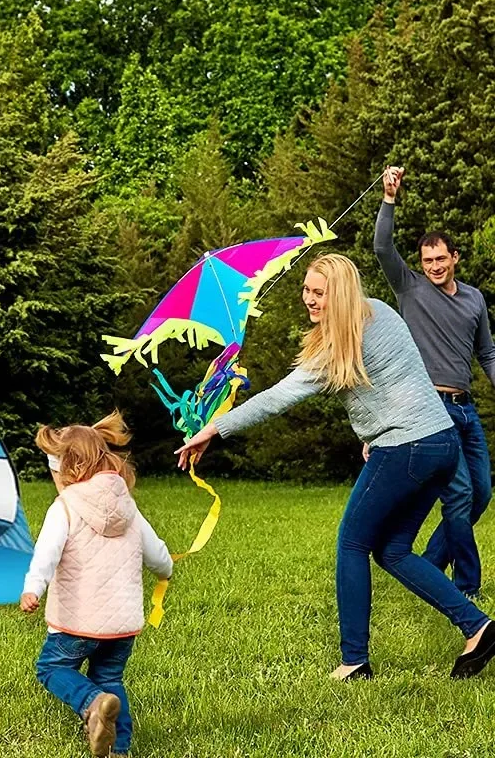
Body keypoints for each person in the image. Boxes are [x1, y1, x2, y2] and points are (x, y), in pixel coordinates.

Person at [175, 253, 495, 681]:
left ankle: (354, 660)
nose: (309, 299)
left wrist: (213, 428)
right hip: (441, 442)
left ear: (340, 293)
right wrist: (371, 433)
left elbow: (276, 398)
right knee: (393, 550)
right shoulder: (380, 310)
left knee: (352, 543)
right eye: (306, 290)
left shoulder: (335, 347)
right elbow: (396, 379)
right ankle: (479, 627)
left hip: (406, 448)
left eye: (319, 292)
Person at [20, 411, 173, 757]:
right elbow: (158, 553)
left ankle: (92, 703)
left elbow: (46, 555)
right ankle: (118, 748)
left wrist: (33, 588)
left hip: (76, 623)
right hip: (122, 627)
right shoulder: (128, 506)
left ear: (70, 468)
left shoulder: (65, 507)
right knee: (109, 678)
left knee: (52, 668)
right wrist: (165, 572)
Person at [374, 164, 495, 600]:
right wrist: (389, 198)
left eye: (441, 258)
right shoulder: (410, 289)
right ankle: (465, 586)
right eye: (427, 260)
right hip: (431, 409)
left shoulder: (474, 299)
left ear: (455, 258)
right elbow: (382, 246)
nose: (434, 266)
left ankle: (428, 564)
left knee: (480, 492)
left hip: (466, 409)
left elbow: (487, 352)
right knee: (459, 492)